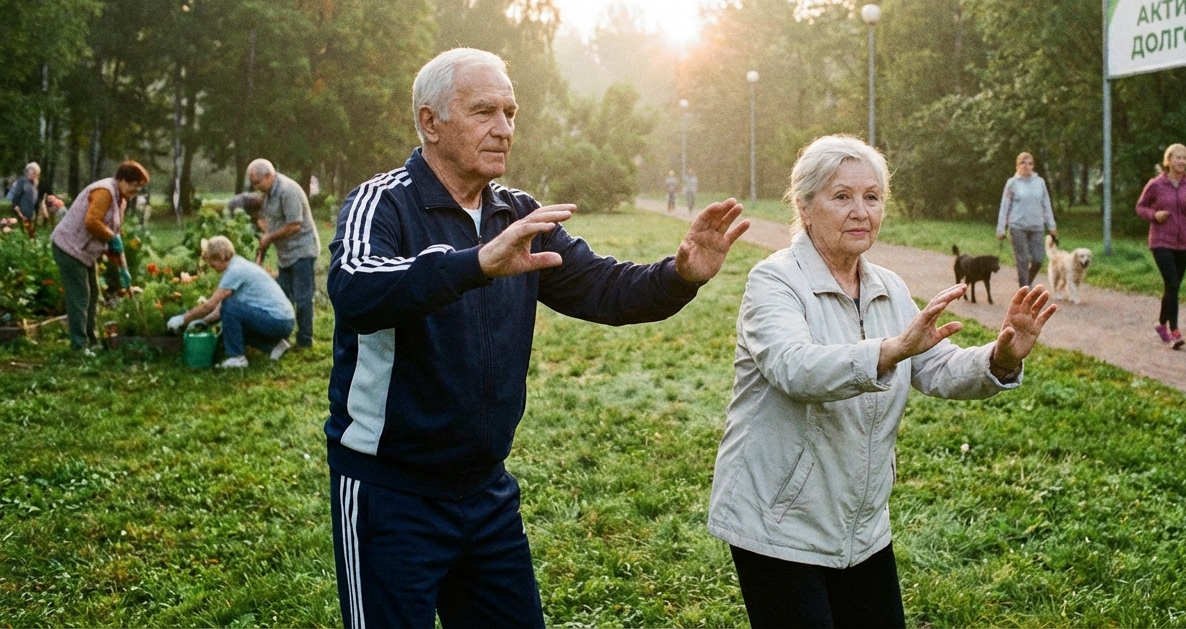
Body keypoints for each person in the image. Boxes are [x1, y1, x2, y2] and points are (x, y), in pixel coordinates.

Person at [325, 48, 749, 628]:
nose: (503, 128)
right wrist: (473, 263)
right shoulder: (383, 203)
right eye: (483, 112)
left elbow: (604, 288)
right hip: (390, 494)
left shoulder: (515, 214)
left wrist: (678, 276)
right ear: (430, 122)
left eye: (510, 112)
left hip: (485, 492)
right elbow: (354, 290)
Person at [707, 135, 1056, 629]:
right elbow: (795, 368)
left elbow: (935, 367)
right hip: (778, 522)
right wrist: (890, 351)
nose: (860, 211)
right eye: (842, 196)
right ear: (805, 207)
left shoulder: (888, 287)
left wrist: (999, 358)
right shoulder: (775, 281)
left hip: (861, 525)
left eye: (872, 197)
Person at [50, 160, 150, 352]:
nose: (136, 190)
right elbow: (92, 222)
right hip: (68, 247)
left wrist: (124, 270)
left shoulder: (121, 198)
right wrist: (112, 238)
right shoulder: (105, 191)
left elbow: (115, 234)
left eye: (140, 187)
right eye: (134, 185)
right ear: (121, 179)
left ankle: (90, 340)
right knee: (80, 296)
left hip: (84, 252)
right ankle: (79, 347)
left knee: (93, 294)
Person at [167, 236, 295, 368]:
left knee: (229, 308)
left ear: (221, 257)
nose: (211, 266)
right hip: (283, 320)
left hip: (278, 321)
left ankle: (237, 358)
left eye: (212, 262)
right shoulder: (238, 264)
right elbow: (220, 309)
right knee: (230, 326)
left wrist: (183, 319)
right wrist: (204, 321)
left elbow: (210, 306)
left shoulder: (235, 271)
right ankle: (275, 346)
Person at [1135, 143, 1186, 349]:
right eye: (1178, 158)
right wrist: (1154, 215)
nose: (1182, 162)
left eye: (1185, 158)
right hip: (1161, 241)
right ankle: (1175, 331)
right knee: (1173, 283)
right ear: (1168, 160)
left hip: (1184, 242)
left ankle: (1160, 324)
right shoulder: (1156, 184)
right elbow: (1140, 207)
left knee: (1172, 286)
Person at [247, 158, 320, 349]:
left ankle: (305, 341)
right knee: (282, 296)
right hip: (285, 254)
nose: (255, 187)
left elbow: (295, 224)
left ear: (269, 176)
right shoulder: (269, 194)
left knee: (303, 298)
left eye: (257, 182)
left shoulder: (287, 190)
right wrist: (263, 249)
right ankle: (283, 340)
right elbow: (271, 223)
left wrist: (269, 237)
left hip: (302, 251)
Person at [996, 152, 1058, 288]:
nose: (1026, 166)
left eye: (1029, 163)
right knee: (1022, 260)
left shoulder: (1040, 182)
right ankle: (1024, 289)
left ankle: (1027, 280)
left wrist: (1052, 226)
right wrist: (1001, 228)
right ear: (1017, 165)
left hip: (1037, 226)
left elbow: (1046, 204)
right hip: (1017, 226)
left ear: (1033, 166)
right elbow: (1004, 206)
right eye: (1023, 163)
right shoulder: (1012, 183)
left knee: (1038, 259)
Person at [7, 162, 41, 238]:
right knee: (25, 236)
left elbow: (34, 201)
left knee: (31, 236)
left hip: (30, 216)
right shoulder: (22, 181)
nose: (32, 174)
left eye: (34, 173)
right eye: (30, 171)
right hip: (21, 215)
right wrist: (20, 214)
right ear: (27, 171)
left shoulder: (34, 184)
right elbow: (15, 200)